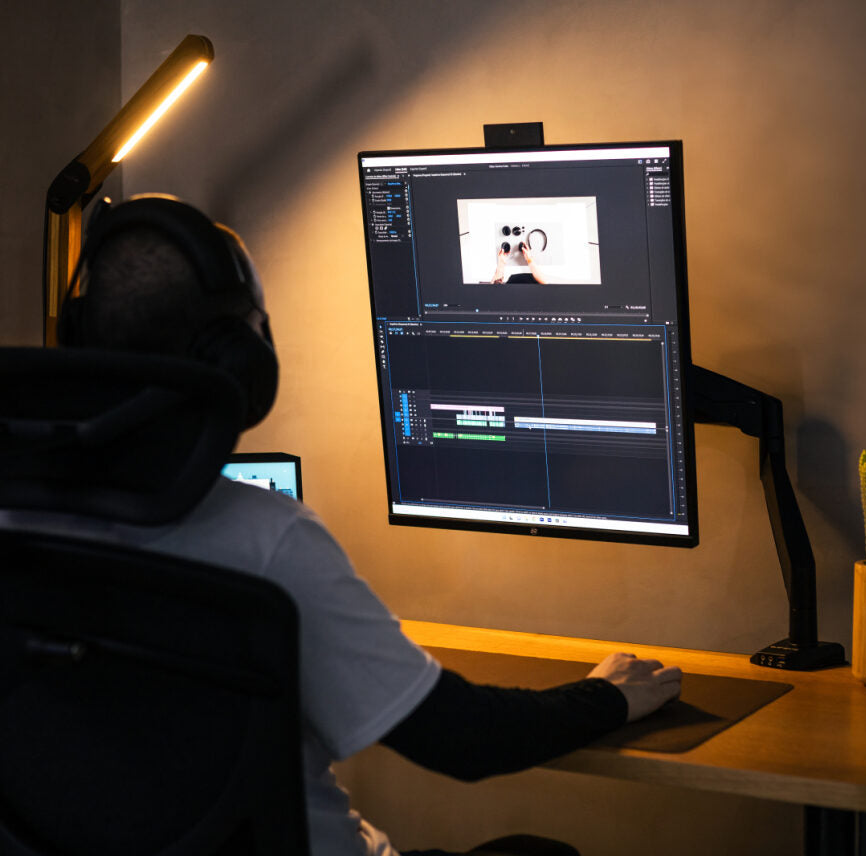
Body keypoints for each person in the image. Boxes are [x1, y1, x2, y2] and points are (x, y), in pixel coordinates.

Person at [51, 195, 682, 856]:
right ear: (240, 358)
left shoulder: (0, 516)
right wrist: (605, 698)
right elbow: (462, 739)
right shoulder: (265, 540)